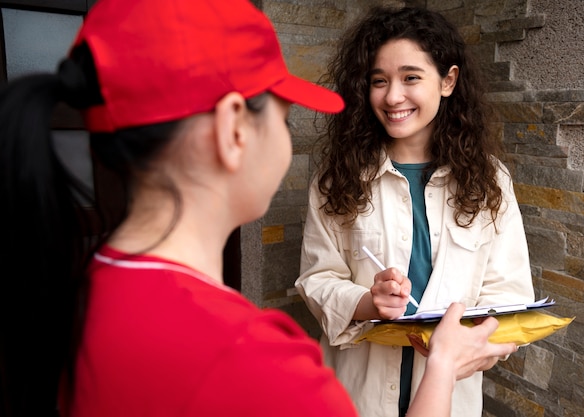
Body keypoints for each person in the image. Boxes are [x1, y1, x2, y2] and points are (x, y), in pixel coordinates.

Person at [0, 1, 519, 416]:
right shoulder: (266, 370)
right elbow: (318, 279)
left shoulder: (83, 295)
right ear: (232, 129)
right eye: (284, 110)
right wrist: (443, 365)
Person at [296, 5, 536, 417]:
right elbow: (316, 278)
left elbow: (510, 296)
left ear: (447, 81)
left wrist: (471, 346)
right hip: (357, 394)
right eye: (378, 81)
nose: (392, 96)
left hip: (451, 398)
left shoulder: (490, 181)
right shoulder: (337, 178)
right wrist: (368, 303)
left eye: (410, 77)